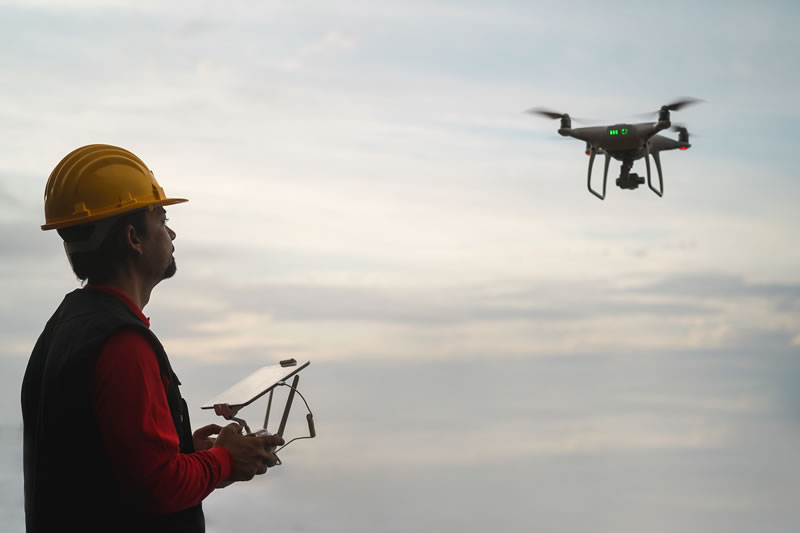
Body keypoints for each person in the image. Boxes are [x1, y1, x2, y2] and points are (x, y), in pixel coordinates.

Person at [21, 144, 283, 533]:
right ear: (133, 238)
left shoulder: (64, 326)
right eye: (161, 219)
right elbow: (156, 487)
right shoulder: (123, 345)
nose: (172, 231)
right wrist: (225, 460)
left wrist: (185, 454)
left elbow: (101, 468)